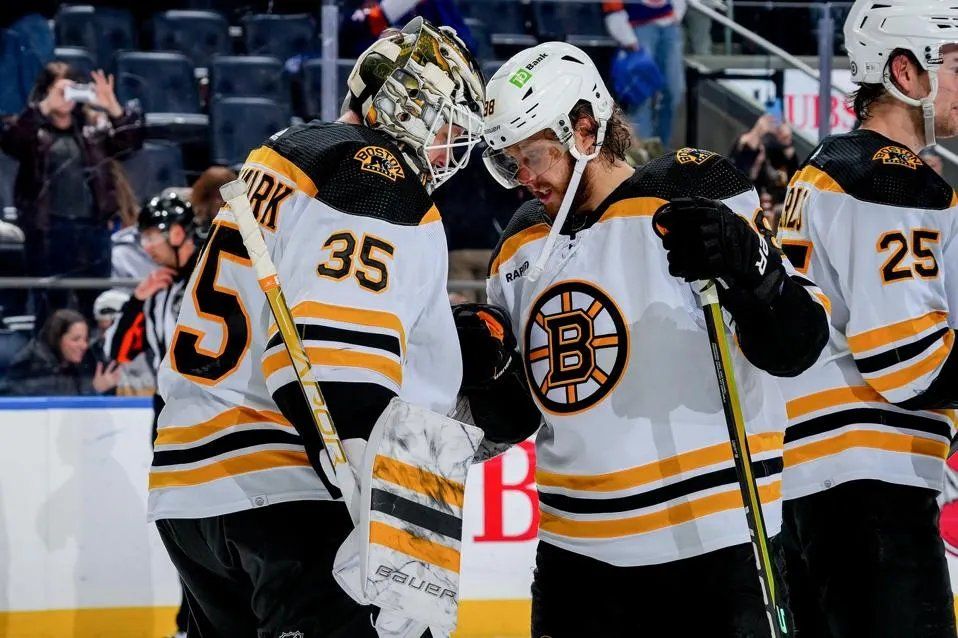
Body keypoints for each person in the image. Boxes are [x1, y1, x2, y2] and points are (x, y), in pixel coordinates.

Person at [461, 41, 829, 637]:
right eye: (509, 162)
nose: (523, 177)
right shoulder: (519, 245)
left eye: (534, 154)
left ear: (584, 128)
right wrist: (483, 364)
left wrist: (749, 267)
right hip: (572, 563)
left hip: (711, 548)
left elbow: (798, 344)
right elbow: (517, 415)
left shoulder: (692, 189)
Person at [149, 18, 484, 637]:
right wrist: (390, 522)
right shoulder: (374, 172)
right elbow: (330, 365)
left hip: (189, 492)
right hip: (288, 489)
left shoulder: (280, 157)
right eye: (443, 123)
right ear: (404, 106)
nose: (448, 145)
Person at [775, 2, 958, 636]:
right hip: (868, 493)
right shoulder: (890, 180)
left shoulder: (830, 166)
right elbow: (908, 363)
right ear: (907, 73)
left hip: (810, 489)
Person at [0, 61, 143, 320]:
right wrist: (43, 108)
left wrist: (112, 106)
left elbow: (128, 147)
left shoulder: (93, 127)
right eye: (60, 91)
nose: (67, 99)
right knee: (50, 308)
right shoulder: (33, 128)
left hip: (93, 229)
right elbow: (11, 142)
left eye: (71, 90)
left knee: (95, 304)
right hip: (48, 231)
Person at [603, 0, 685, 147]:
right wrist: (625, 35)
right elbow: (612, 5)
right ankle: (643, 156)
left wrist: (677, 13)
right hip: (637, 26)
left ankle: (662, 151)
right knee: (640, 95)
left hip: (670, 24)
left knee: (674, 92)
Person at [0, 308, 120, 396]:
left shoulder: (84, 362)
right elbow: (55, 402)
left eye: (85, 339)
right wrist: (93, 389)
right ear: (57, 339)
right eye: (75, 339)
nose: (83, 345)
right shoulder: (33, 363)